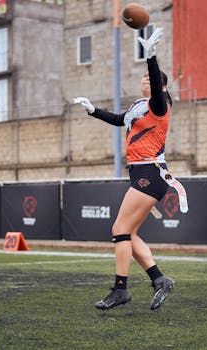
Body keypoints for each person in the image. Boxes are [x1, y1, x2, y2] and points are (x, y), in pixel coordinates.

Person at [73, 27, 175, 311]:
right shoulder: (139, 106)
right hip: (144, 173)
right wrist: (94, 110)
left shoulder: (159, 103)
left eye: (149, 78)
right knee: (128, 233)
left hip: (150, 172)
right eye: (143, 76)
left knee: (119, 229)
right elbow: (120, 119)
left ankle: (120, 289)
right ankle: (159, 280)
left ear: (161, 87)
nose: (145, 79)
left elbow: (156, 85)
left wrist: (151, 57)